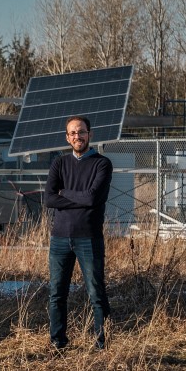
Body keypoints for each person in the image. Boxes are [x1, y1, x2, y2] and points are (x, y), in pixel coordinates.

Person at [44, 115, 113, 350]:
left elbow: (94, 197)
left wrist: (64, 193)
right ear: (67, 137)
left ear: (90, 135)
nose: (77, 136)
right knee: (57, 294)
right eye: (72, 133)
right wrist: (78, 198)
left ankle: (102, 344)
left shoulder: (102, 164)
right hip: (59, 238)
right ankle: (58, 343)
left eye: (81, 132)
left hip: (89, 238)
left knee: (96, 293)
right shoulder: (59, 163)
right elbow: (49, 199)